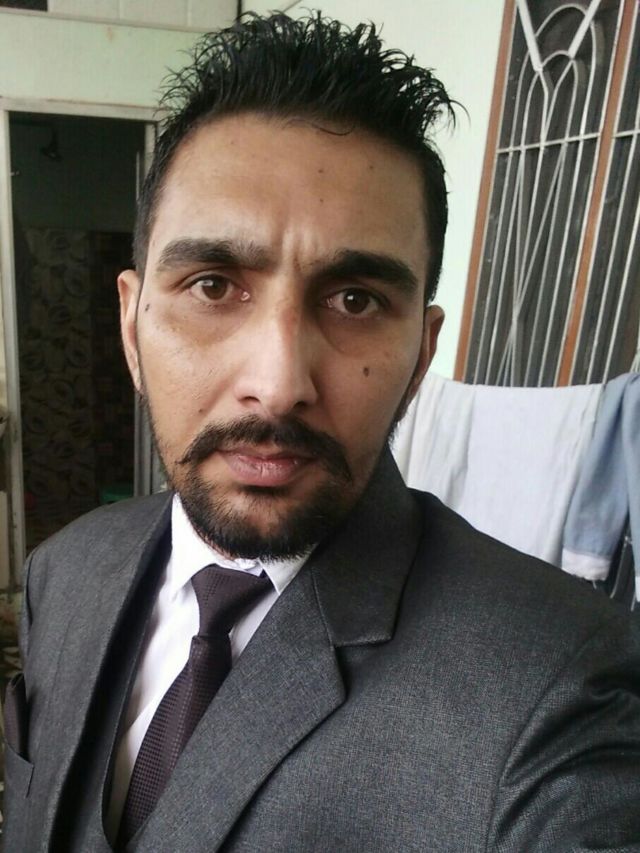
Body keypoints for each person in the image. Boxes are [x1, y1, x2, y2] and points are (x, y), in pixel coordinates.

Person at [4, 12, 640, 852]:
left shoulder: (560, 682)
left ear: (420, 355)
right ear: (131, 324)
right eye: (213, 284)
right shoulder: (62, 571)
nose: (278, 385)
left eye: (354, 300)